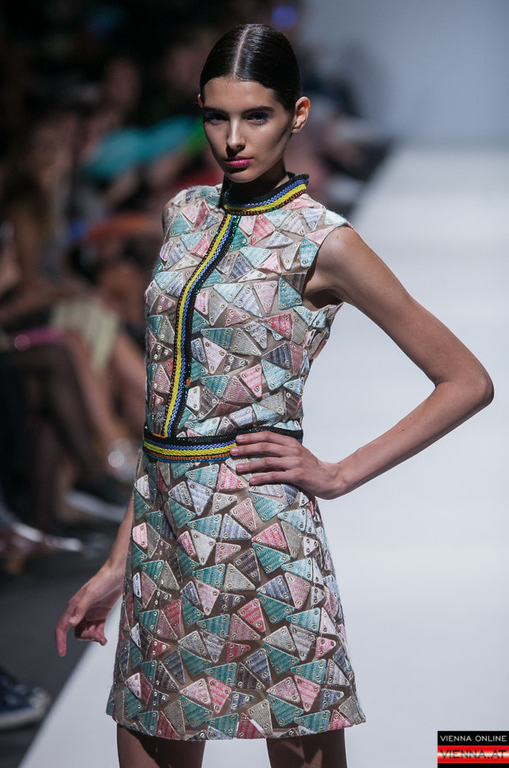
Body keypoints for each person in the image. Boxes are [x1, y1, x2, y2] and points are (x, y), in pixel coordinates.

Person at [56, 24, 493, 768]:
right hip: (165, 545)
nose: (233, 138)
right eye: (216, 116)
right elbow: (164, 409)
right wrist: (117, 562)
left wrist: (341, 472)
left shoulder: (323, 240)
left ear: (297, 115)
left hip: (264, 543)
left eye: (256, 116)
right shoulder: (184, 215)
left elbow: (466, 379)